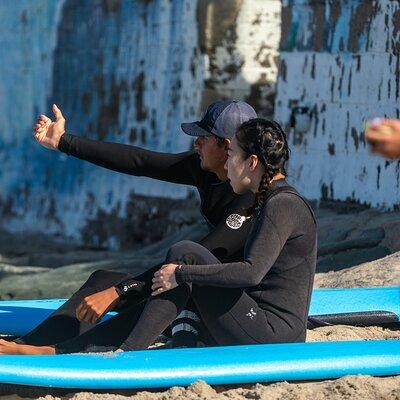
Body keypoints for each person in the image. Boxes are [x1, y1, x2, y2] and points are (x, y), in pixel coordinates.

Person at [0, 118, 317, 355]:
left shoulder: (281, 205)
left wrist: (181, 272)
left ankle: (126, 355)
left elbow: (251, 272)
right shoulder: (270, 199)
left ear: (251, 162)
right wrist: (64, 141)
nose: (228, 163)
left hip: (270, 333)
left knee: (185, 254)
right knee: (153, 269)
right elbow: (140, 161)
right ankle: (43, 347)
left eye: (233, 153)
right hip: (243, 315)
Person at [18, 100, 258, 348]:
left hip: (234, 306)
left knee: (141, 291)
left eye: (203, 138)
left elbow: (191, 261)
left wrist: (120, 291)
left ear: (226, 146)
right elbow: (139, 161)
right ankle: (29, 346)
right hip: (197, 282)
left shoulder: (252, 198)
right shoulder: (207, 169)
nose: (195, 143)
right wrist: (63, 141)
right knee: (102, 279)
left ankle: (51, 352)